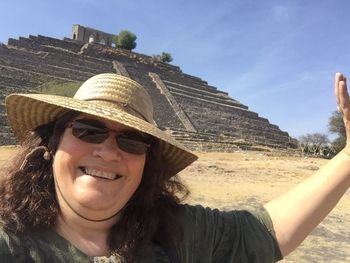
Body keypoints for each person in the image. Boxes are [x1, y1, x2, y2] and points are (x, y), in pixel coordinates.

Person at [0, 72, 348, 263]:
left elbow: (268, 232)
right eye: (89, 130)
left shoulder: (176, 232)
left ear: (148, 162)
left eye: (132, 140)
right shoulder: (10, 242)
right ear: (52, 143)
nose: (107, 151)